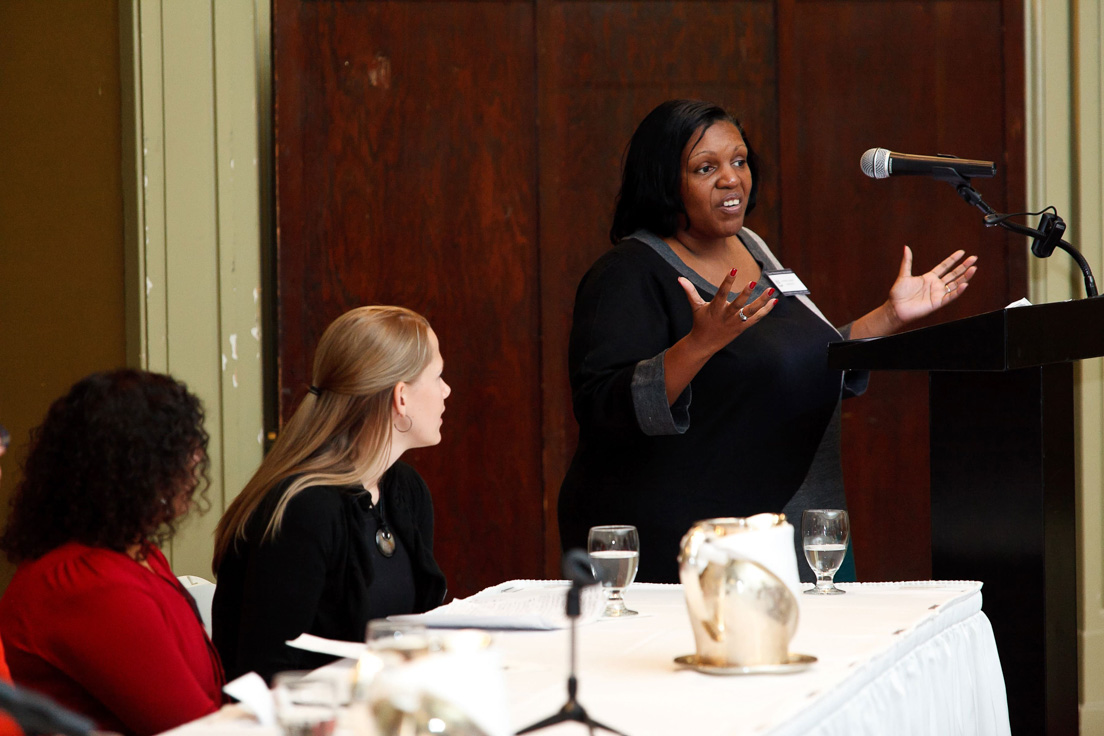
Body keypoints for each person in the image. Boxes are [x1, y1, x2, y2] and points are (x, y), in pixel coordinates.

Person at [558, 100, 977, 583]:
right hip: (694, 549)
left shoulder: (754, 248)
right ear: (662, 181)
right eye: (705, 167)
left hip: (800, 523)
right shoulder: (626, 275)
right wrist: (700, 343)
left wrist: (889, 316)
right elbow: (606, 411)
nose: (731, 178)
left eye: (739, 161)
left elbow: (797, 366)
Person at [212, 305, 449, 683]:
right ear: (400, 396)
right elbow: (267, 671)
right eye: (437, 376)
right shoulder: (305, 510)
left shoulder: (405, 490)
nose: (446, 390)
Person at [0, 370, 224, 736]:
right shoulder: (86, 585)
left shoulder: (138, 552)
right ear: (131, 469)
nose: (196, 459)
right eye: (179, 449)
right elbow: (191, 727)